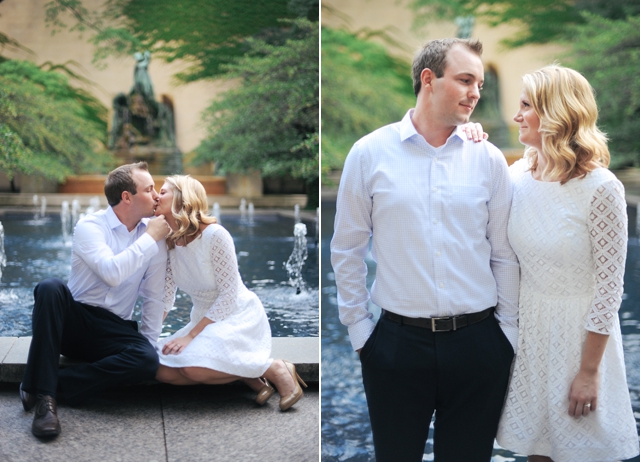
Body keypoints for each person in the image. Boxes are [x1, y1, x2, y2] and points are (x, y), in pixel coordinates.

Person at [330, 38, 519, 461]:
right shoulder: (368, 154)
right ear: (429, 79)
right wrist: (361, 333)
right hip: (395, 347)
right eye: (465, 79)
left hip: (480, 345)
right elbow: (347, 249)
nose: (476, 92)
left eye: (480, 84)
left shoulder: (487, 158)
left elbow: (503, 253)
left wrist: (506, 336)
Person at [494, 65, 639, 462]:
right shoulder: (517, 174)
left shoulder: (602, 188)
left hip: (582, 342)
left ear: (555, 113)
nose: (516, 115)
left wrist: (588, 372)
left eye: (526, 106)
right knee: (536, 453)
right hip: (530, 334)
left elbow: (610, 289)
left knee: (580, 452)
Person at [20, 161, 171, 437]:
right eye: (149, 189)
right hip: (75, 323)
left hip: (114, 330)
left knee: (147, 359)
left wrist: (146, 349)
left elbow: (154, 297)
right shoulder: (90, 226)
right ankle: (45, 403)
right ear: (127, 197)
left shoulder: (154, 236)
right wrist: (149, 239)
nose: (157, 196)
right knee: (50, 287)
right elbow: (111, 273)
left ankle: (48, 384)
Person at [153, 175, 306, 411]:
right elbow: (166, 296)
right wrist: (149, 333)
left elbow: (228, 296)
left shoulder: (215, 235)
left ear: (182, 198)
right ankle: (248, 375)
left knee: (192, 367)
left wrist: (190, 336)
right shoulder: (170, 242)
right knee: (161, 371)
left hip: (235, 316)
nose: (156, 196)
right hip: (203, 320)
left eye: (163, 192)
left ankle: (274, 368)